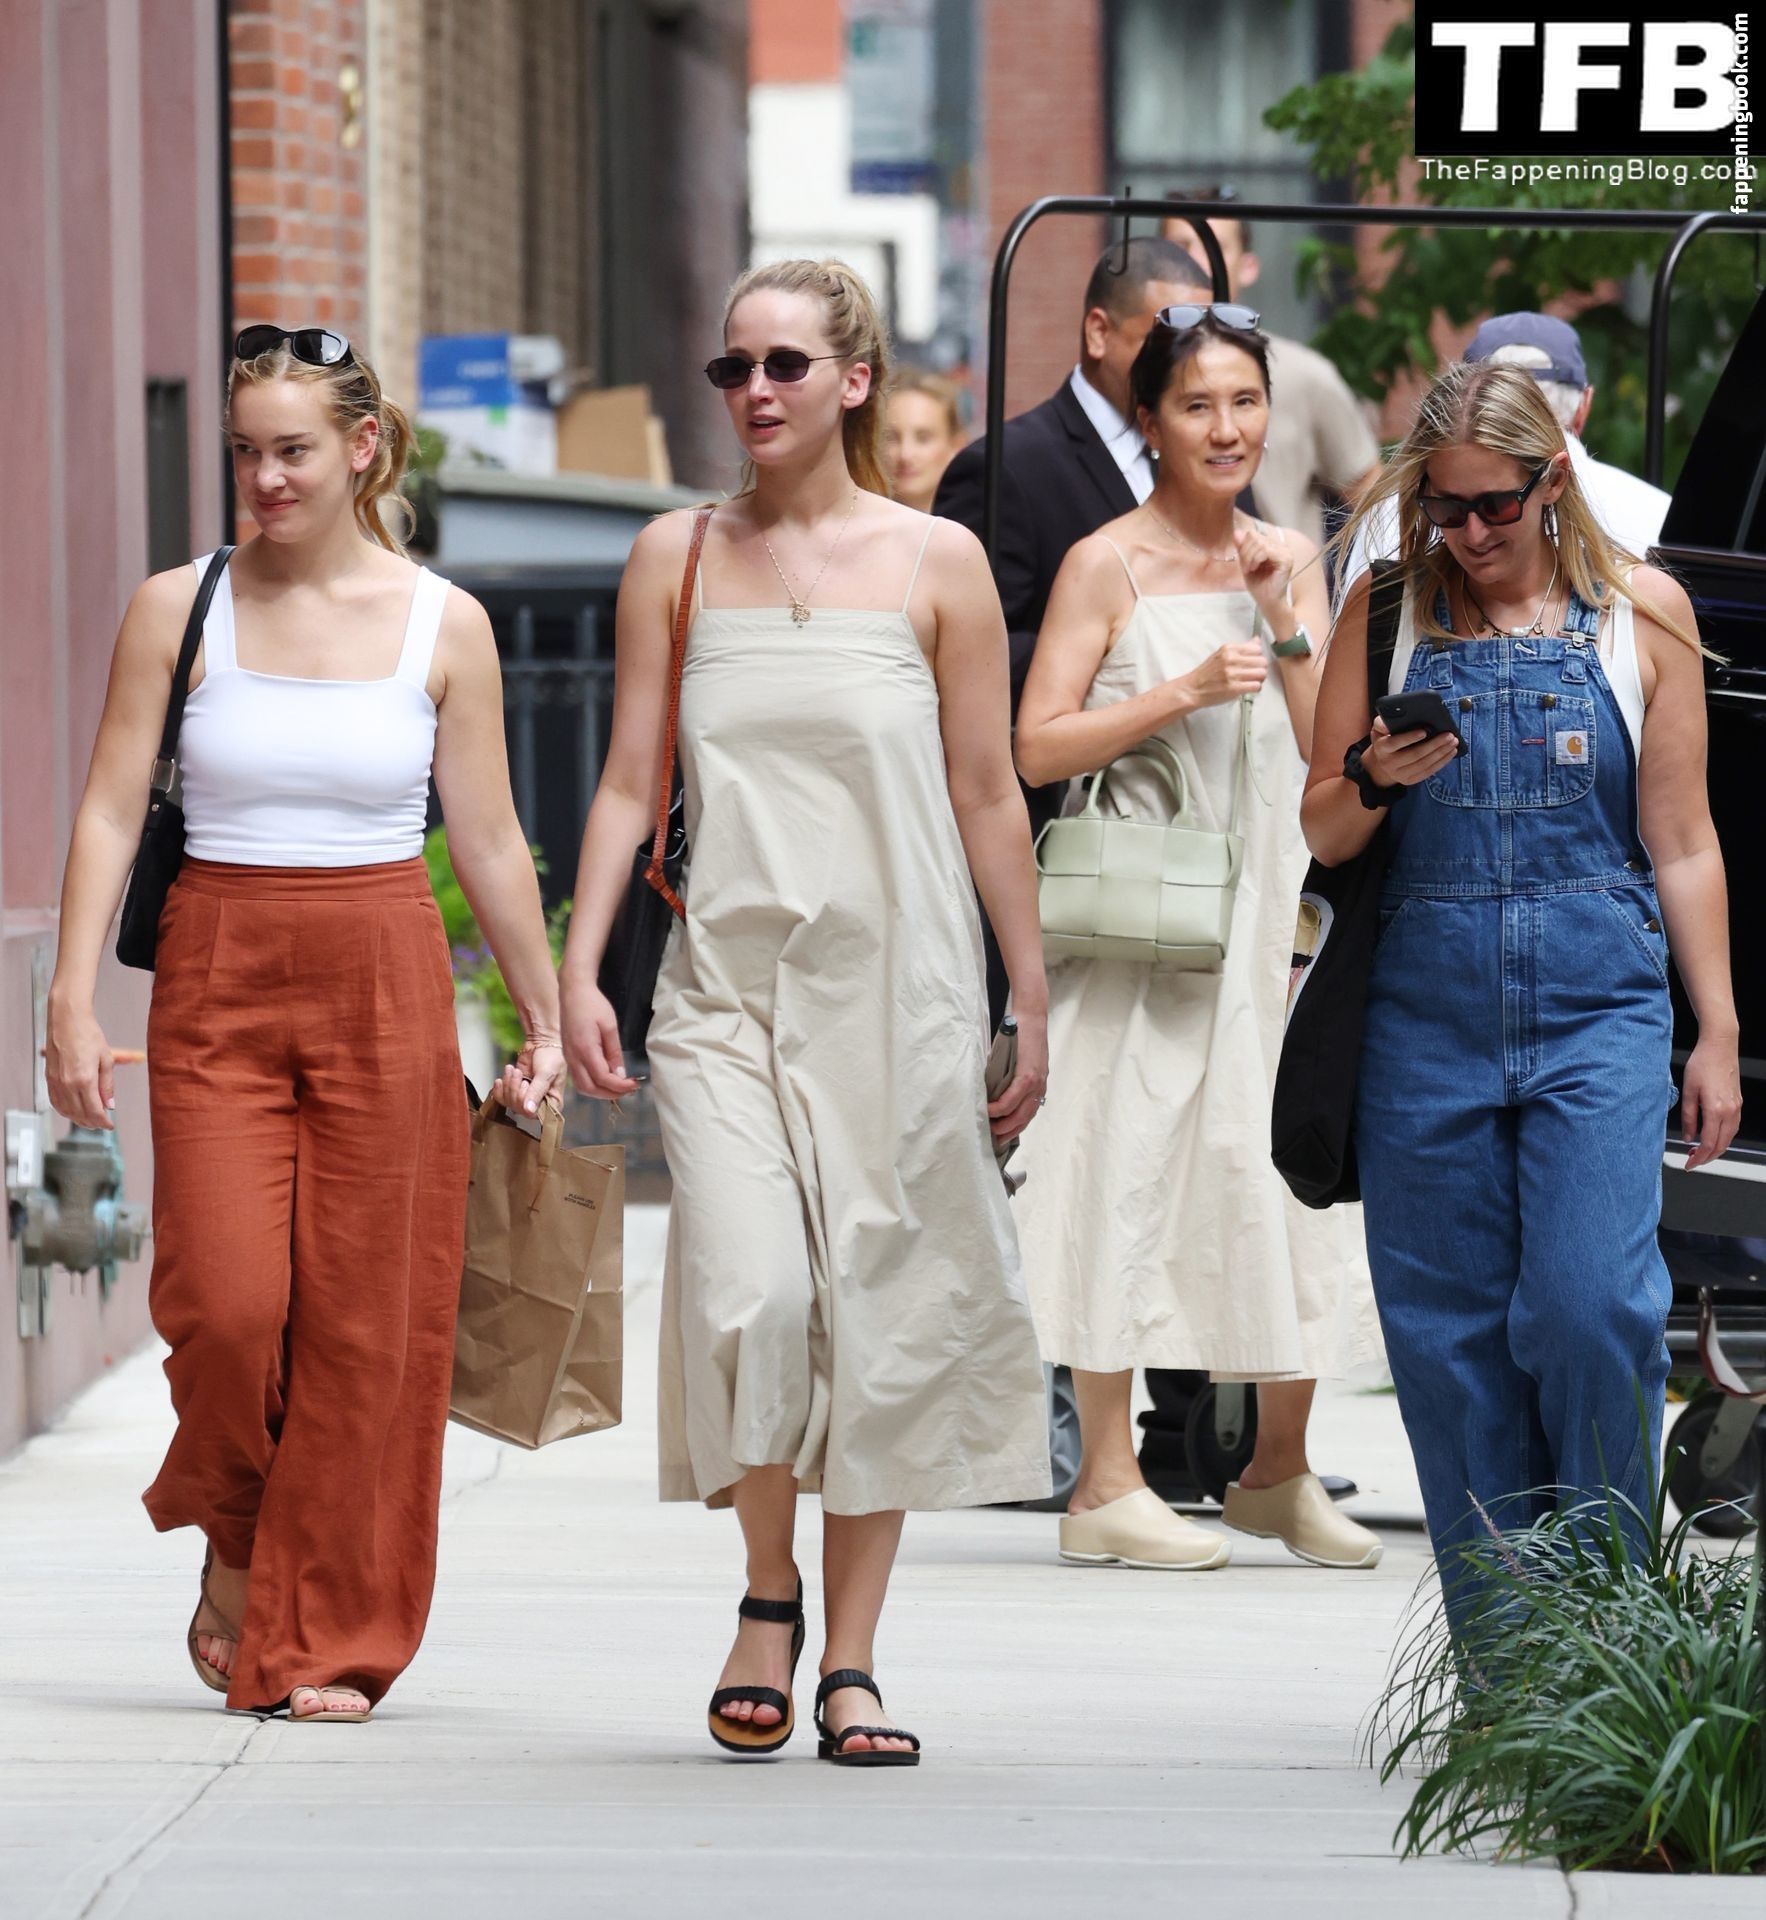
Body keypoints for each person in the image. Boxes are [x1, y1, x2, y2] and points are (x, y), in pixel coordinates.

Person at [558, 258, 1052, 1764]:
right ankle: (764, 1592)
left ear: (854, 380)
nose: (754, 391)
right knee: (754, 1297)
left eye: (783, 364)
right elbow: (630, 780)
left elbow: (987, 791)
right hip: (724, 994)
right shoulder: (675, 556)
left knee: (885, 1318)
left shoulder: (936, 564)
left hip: (902, 992)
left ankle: (850, 1661)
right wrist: (579, 971)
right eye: (734, 367)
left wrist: (1027, 993)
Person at [45, 325, 564, 1721]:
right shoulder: (180, 608)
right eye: (245, 452)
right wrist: (69, 1001)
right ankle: (237, 1534)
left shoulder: (442, 623)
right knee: (224, 1307)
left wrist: (539, 1015)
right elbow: (108, 806)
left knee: (366, 1324)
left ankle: (332, 1635)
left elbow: (490, 838)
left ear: (362, 449)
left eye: (292, 451)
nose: (266, 478)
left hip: (383, 973)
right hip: (216, 967)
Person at [1308, 361, 1740, 1640]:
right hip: (1420, 1014)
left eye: (1492, 505)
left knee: (1591, 1308)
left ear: (1550, 479)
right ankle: (1508, 1678)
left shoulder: (1639, 613)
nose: (1468, 533)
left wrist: (1715, 1029)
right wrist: (1372, 776)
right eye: (1440, 508)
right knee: (1447, 1346)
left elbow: (1682, 841)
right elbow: (1321, 830)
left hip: (1597, 1007)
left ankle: (1604, 1639)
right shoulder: (1383, 611)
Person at [1010, 305, 1386, 1573]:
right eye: (1195, 406)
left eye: (1244, 402)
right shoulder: (1103, 563)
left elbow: (1332, 748)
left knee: (1283, 1176)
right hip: (1147, 915)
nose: (1226, 429)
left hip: (1272, 906)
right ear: (1149, 422)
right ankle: (1103, 1482)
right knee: (1120, 1168)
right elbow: (1034, 745)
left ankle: (1276, 1469)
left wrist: (1284, 622)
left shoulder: (1289, 554)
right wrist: (1174, 693)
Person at [934, 236, 1216, 858]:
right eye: (1169, 338)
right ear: (1098, 332)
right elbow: (963, 653)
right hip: (1064, 830)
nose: (1191, 362)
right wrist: (1122, 660)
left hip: (1211, 814)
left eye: (1205, 341)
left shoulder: (1213, 456)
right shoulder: (1007, 467)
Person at [1339, 313, 1672, 591]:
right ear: (1584, 406)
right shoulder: (1656, 511)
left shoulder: (1390, 511)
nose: (1474, 533)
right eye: (1447, 507)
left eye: (1498, 506)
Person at [1163, 190, 1381, 552]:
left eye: (1216, 247)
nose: (1199, 262)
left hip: (1288, 582)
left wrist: (1359, 585)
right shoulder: (1135, 376)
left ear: (1248, 265)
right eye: (1181, 248)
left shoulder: (1305, 375)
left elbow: (1372, 497)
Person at [882, 368, 965, 512]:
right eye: (891, 438)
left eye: (923, 438)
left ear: (956, 445)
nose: (905, 454)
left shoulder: (980, 520)